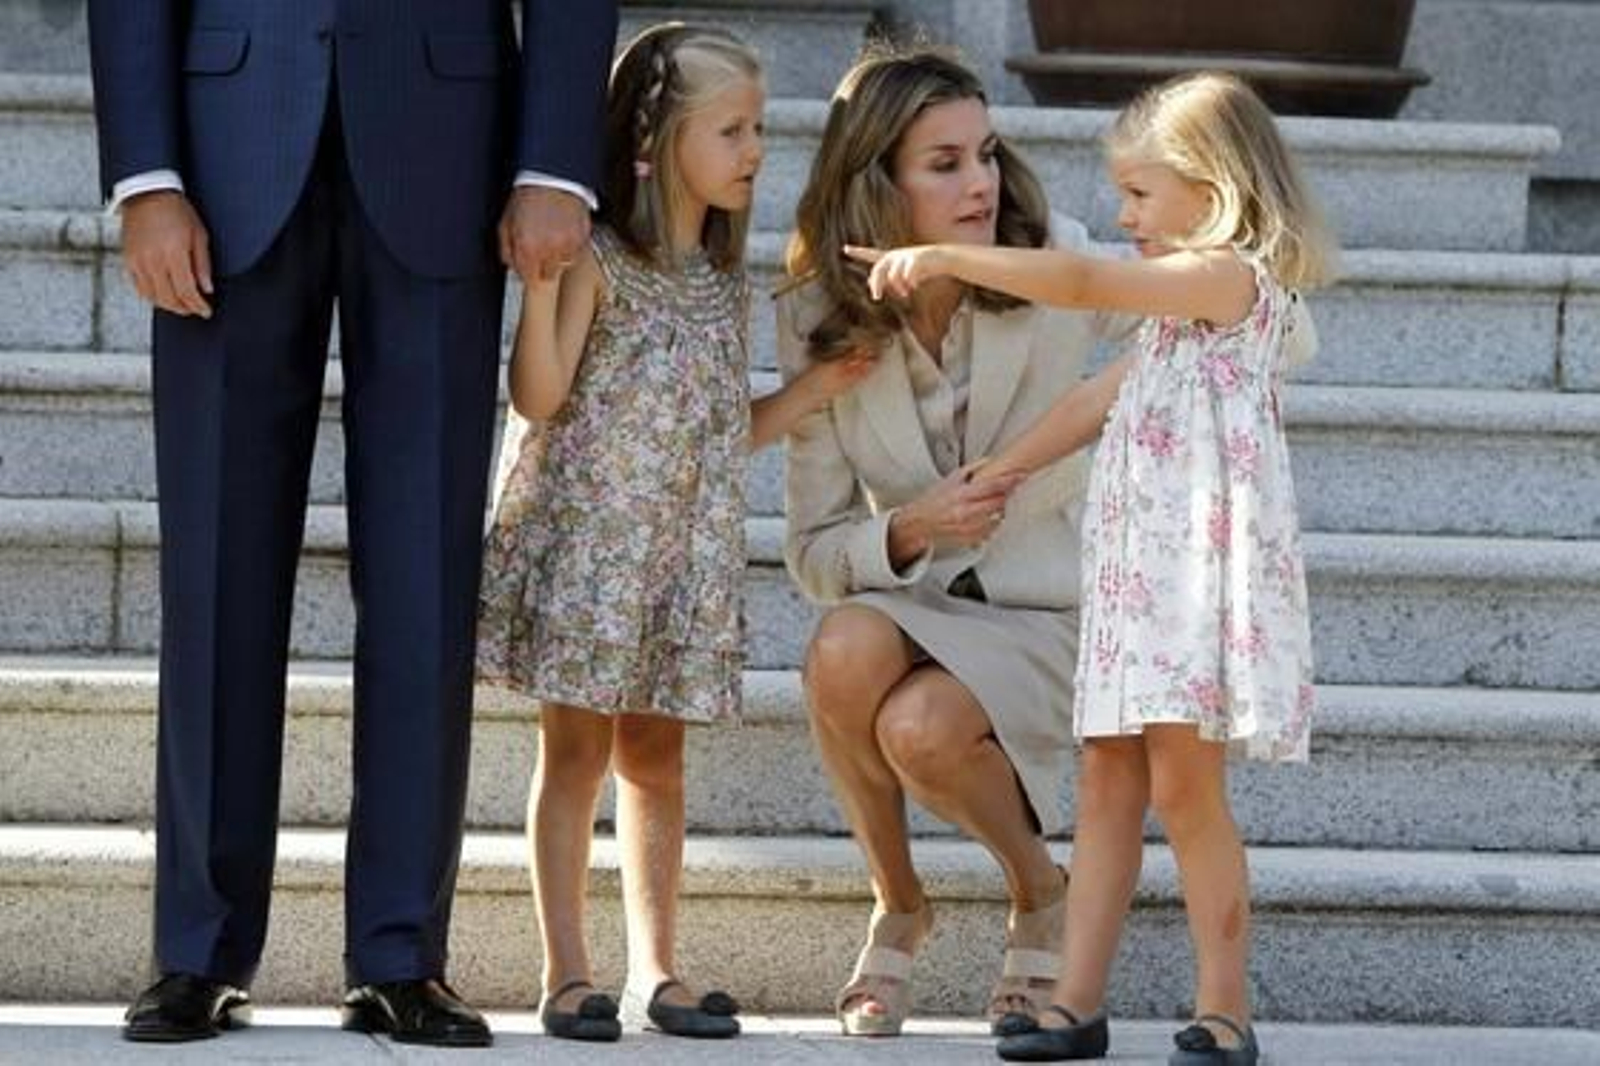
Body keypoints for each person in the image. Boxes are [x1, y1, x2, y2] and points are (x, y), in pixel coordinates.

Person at [86, 0, 619, 1046]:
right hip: (223, 149)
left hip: (446, 151)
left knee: (425, 581)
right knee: (216, 580)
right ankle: (198, 948)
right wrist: (146, 176)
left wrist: (555, 159)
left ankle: (399, 954)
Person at [849, 71, 1333, 1066]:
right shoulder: (1168, 323)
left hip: (1191, 592)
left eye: (1139, 196)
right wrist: (1004, 466)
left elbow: (1080, 283)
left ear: (1215, 187)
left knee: (1185, 792)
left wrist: (948, 253)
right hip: (1128, 589)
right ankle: (1076, 998)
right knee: (1107, 780)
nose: (1122, 217)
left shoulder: (1226, 283)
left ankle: (1225, 1007)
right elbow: (1088, 406)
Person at [475, 22, 870, 1044]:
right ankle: (567, 970)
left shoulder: (717, 286)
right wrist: (540, 287)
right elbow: (540, 395)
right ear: (657, 138)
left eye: (757, 131)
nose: (753, 151)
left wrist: (814, 390)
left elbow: (717, 432)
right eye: (731, 130)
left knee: (656, 760)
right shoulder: (599, 259)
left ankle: (658, 966)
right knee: (574, 756)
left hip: (678, 562)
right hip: (591, 557)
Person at [777, 45, 1137, 1039]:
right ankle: (899, 901)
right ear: (876, 181)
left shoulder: (1048, 254)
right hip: (915, 596)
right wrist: (906, 527)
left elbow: (1195, 318)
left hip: (1046, 603)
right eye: (942, 163)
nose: (979, 183)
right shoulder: (814, 314)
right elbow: (810, 553)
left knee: (921, 732)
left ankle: (1039, 892)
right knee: (841, 646)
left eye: (984, 152)